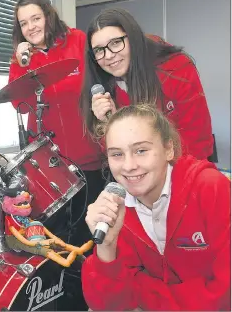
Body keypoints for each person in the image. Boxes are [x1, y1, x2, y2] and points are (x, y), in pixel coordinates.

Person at [82, 104, 230, 311]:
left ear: (168, 149)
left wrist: (144, 292)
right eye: (117, 154)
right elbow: (108, 305)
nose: (129, 166)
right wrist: (107, 246)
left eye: (141, 150)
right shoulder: (117, 206)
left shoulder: (210, 188)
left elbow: (225, 295)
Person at [9, 0, 104, 245]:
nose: (31, 27)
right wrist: (21, 64)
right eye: (24, 23)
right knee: (56, 231)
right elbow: (21, 106)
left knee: (90, 228)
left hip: (88, 153)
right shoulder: (21, 59)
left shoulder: (78, 40)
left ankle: (90, 280)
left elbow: (101, 81)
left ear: (48, 16)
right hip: (50, 164)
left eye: (36, 18)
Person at [80, 7, 214, 160]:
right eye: (98, 50)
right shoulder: (105, 87)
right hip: (142, 173)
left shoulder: (175, 68)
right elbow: (118, 153)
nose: (108, 55)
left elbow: (197, 139)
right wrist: (109, 122)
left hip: (186, 166)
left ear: (133, 38)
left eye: (116, 43)